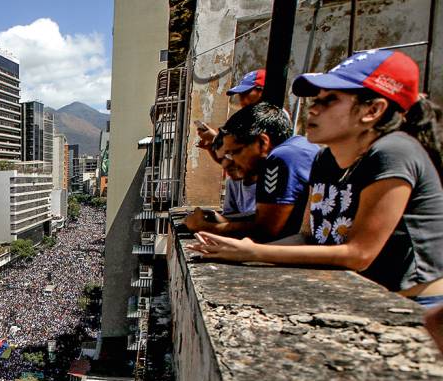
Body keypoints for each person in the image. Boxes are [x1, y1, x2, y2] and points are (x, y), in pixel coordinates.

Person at [188, 49, 443, 300]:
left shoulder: (394, 152)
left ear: (373, 110)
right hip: (357, 294)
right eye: (315, 99)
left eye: (328, 100)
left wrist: (253, 253)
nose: (313, 108)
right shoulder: (324, 159)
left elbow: (359, 254)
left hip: (413, 304)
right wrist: (237, 250)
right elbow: (308, 236)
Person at [185, 103, 319, 240]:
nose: (233, 162)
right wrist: (226, 220)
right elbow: (268, 216)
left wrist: (204, 227)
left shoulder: (281, 158)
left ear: (262, 142)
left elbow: (265, 231)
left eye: (235, 152)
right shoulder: (297, 145)